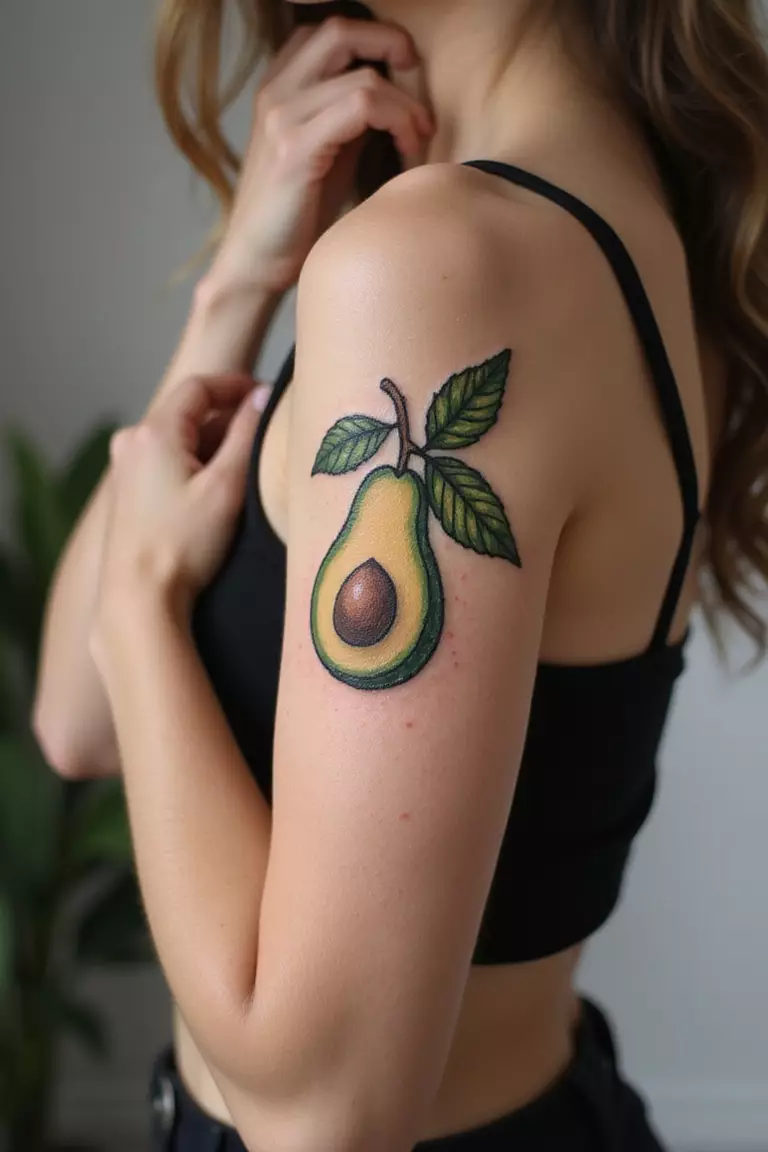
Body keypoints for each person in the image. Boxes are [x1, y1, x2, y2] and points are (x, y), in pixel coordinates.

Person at [33, 0, 768, 1149]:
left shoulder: (449, 265)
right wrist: (238, 286)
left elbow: (325, 1115)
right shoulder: (629, 221)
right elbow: (77, 725)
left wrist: (142, 601)